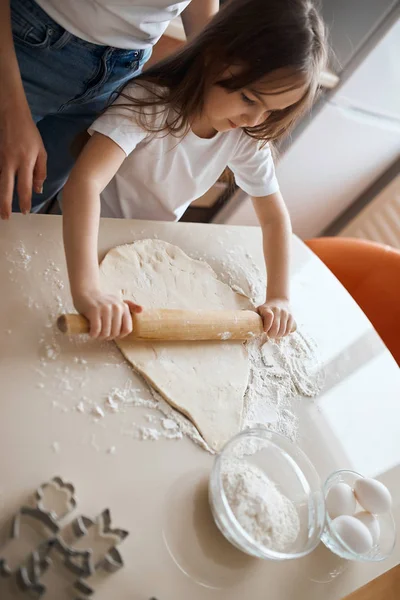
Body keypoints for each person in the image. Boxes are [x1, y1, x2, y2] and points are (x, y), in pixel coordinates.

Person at [62, 0, 327, 341]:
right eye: (249, 98)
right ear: (213, 55)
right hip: (84, 237)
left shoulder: (243, 136)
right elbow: (85, 182)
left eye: (272, 112)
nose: (254, 120)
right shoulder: (150, 105)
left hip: (146, 249)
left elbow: (274, 218)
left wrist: (279, 296)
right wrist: (87, 290)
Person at [0, 0, 218, 218]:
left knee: (20, 206)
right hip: (26, 44)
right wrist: (11, 108)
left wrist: (213, 69)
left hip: (122, 70)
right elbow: (85, 185)